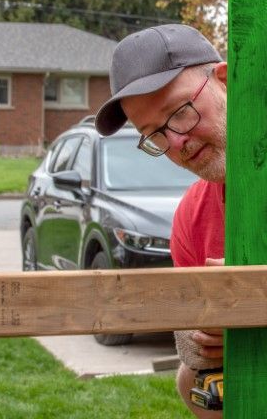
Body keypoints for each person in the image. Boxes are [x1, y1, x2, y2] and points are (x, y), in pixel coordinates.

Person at [95, 24, 227, 419]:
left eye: (180, 113)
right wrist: (201, 352)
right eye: (153, 135)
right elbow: (202, 390)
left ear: (226, 80)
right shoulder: (190, 219)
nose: (176, 143)